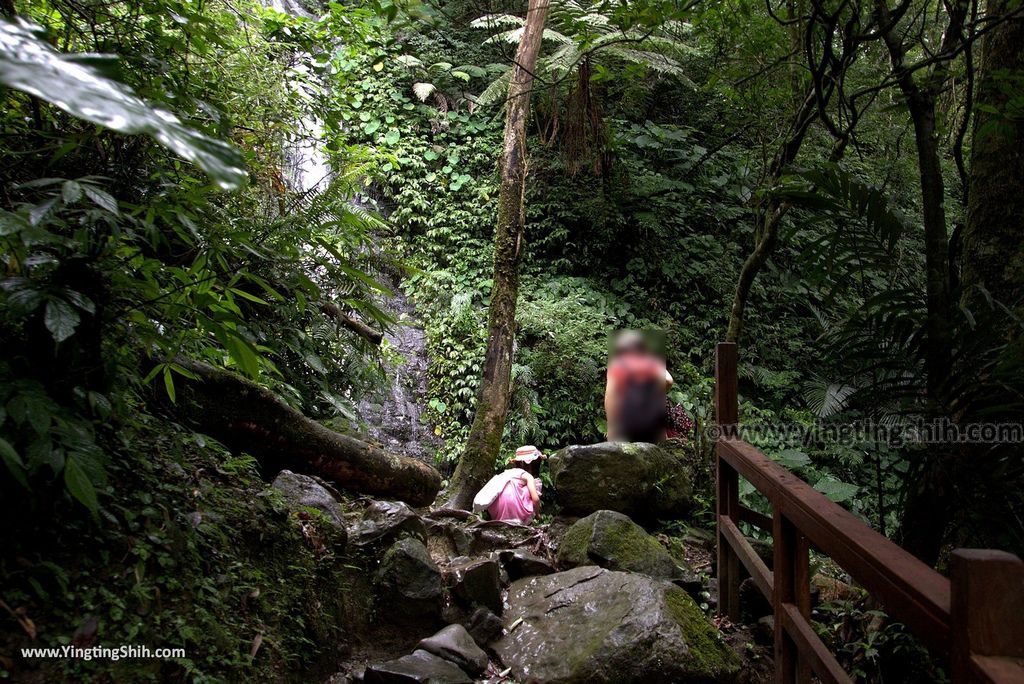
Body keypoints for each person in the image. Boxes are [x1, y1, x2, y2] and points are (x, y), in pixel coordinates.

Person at [604, 330, 673, 443]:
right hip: (652, 423)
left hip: (627, 423)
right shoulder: (652, 362)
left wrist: (611, 427)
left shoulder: (617, 364)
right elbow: (668, 380)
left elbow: (611, 397)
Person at [472, 446, 543, 524]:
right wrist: (537, 514)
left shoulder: (507, 473)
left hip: (496, 510)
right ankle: (519, 520)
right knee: (535, 486)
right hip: (515, 509)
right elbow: (535, 499)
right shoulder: (528, 476)